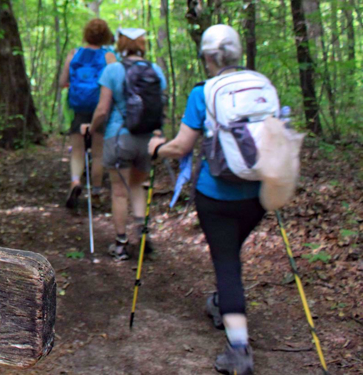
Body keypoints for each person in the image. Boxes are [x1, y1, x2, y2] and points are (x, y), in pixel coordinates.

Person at [147, 25, 261, 375]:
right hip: (258, 194)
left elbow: (181, 147)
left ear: (207, 57)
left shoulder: (204, 92)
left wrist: (155, 149)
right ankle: (222, 300)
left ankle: (239, 349)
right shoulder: (260, 85)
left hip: (217, 195)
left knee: (227, 264)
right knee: (230, 258)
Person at [81, 28, 166, 260]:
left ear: (121, 43)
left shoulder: (113, 70)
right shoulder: (155, 70)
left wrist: (91, 127)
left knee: (119, 192)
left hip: (119, 137)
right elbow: (159, 105)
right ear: (142, 44)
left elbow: (102, 109)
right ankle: (141, 231)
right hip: (148, 139)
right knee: (138, 186)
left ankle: (120, 244)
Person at [59, 19, 116, 209]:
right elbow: (117, 84)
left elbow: (62, 81)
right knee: (98, 153)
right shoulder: (109, 56)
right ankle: (96, 192)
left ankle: (75, 181)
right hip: (100, 107)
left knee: (77, 151)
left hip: (78, 107)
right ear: (106, 35)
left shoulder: (74, 53)